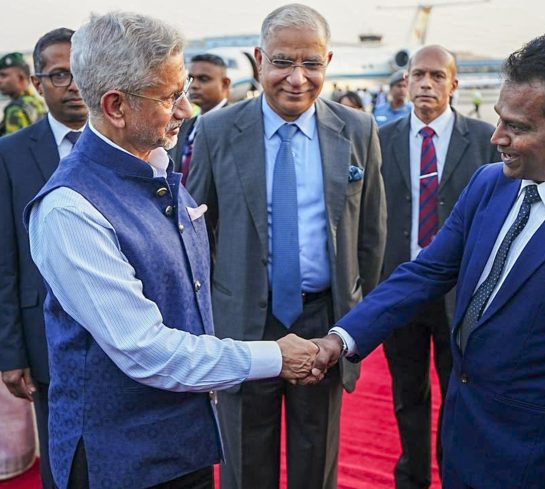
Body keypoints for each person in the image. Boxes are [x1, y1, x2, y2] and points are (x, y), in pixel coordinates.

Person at [309, 29, 545, 489]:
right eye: (500, 119)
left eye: (517, 127)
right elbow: (425, 273)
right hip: (463, 447)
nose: (498, 136)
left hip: (540, 467)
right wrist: (341, 339)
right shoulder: (489, 183)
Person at [25, 12, 319, 489]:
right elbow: (146, 350)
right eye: (169, 97)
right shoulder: (69, 210)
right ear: (116, 106)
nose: (186, 108)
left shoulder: (157, 167)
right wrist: (274, 357)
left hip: (185, 445)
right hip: (120, 464)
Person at [186, 4, 386, 488]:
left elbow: (371, 236)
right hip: (244, 327)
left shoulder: (358, 130)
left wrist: (352, 321)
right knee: (245, 463)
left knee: (316, 463)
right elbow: (194, 234)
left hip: (324, 325)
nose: (297, 78)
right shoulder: (216, 130)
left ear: (328, 62)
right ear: (260, 60)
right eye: (282, 62)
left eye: (311, 63)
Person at [377, 44, 498, 489]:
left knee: (458, 394)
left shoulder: (485, 139)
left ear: (454, 85)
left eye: (437, 76)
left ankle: (454, 475)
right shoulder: (380, 139)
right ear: (406, 81)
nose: (426, 84)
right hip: (403, 288)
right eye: (418, 75)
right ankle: (413, 475)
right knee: (407, 394)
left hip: (462, 292)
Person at [0, 28, 87, 489]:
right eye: (59, 75)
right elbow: (5, 259)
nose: (73, 85)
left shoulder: (126, 143)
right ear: (37, 83)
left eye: (81, 71)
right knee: (62, 465)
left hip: (123, 335)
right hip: (45, 338)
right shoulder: (10, 153)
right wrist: (11, 352)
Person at [169, 53, 230, 185]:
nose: (194, 85)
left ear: (225, 84)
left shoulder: (235, 127)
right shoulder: (184, 126)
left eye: (203, 79)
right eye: (191, 78)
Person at [0, 52, 46, 136]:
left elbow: (13, 142)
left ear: (20, 78)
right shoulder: (38, 103)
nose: (0, 80)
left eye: (4, 75)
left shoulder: (15, 109)